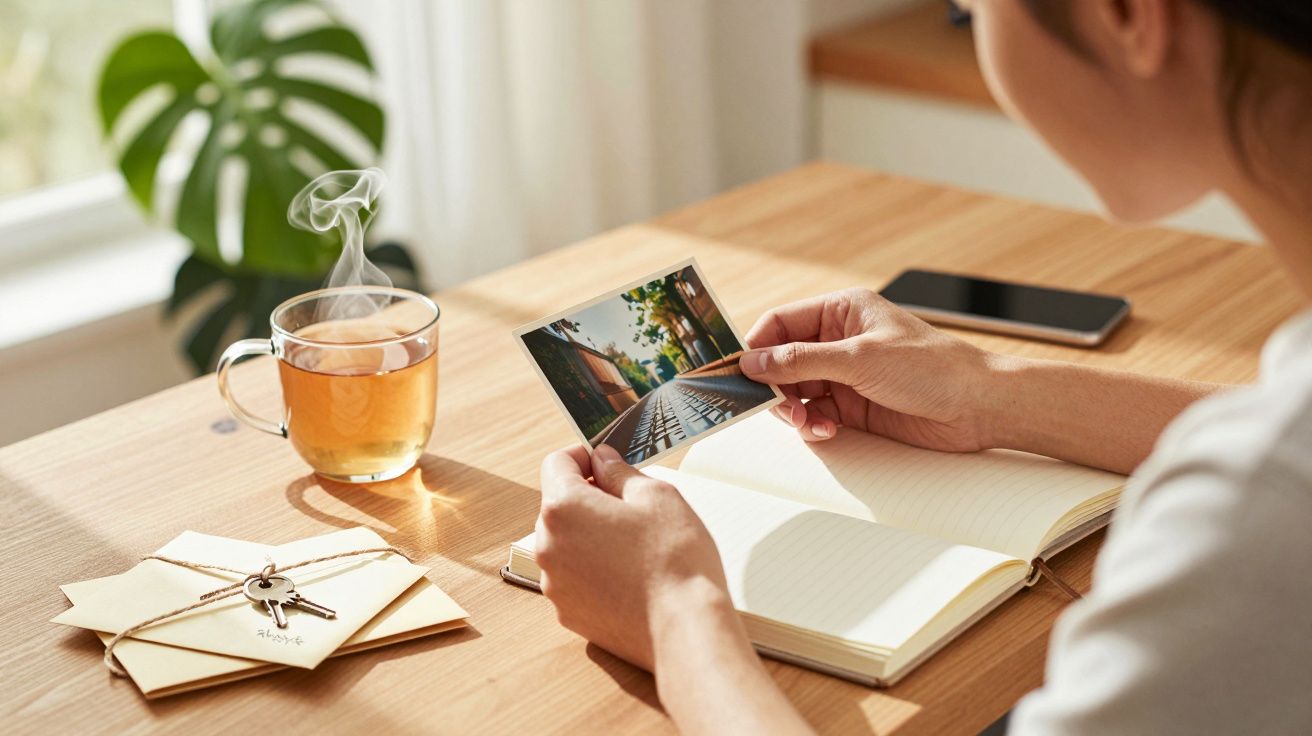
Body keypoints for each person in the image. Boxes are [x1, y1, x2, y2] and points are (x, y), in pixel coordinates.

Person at [533, 0, 1312, 732]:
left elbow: (1273, 475)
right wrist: (987, 394)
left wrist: (676, 611)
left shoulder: (1246, 528)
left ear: (1125, 13)